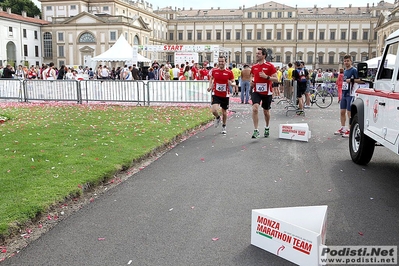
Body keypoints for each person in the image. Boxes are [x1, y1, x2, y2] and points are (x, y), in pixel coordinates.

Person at [250, 48, 278, 138]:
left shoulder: (270, 66)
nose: (257, 55)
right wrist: (251, 81)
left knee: (266, 111)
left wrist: (266, 77)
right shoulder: (254, 67)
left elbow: (277, 79)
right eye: (256, 53)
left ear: (264, 55)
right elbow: (252, 76)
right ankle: (256, 130)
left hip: (267, 92)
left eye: (259, 53)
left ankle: (267, 127)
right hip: (256, 91)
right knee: (255, 108)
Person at [334, 55, 362, 138]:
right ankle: (343, 128)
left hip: (351, 94)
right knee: (342, 112)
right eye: (345, 61)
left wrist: (351, 80)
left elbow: (360, 80)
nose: (346, 62)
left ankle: (350, 130)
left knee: (350, 113)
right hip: (344, 93)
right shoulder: (345, 71)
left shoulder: (354, 70)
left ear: (351, 61)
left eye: (348, 61)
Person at [207, 56, 235, 135]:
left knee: (224, 112)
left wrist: (231, 84)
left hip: (225, 95)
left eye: (222, 61)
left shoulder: (229, 72)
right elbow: (211, 80)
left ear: (225, 62)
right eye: (219, 61)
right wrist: (210, 87)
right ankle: (218, 118)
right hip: (216, 94)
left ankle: (224, 126)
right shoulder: (214, 70)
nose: (221, 63)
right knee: (213, 110)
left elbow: (234, 82)